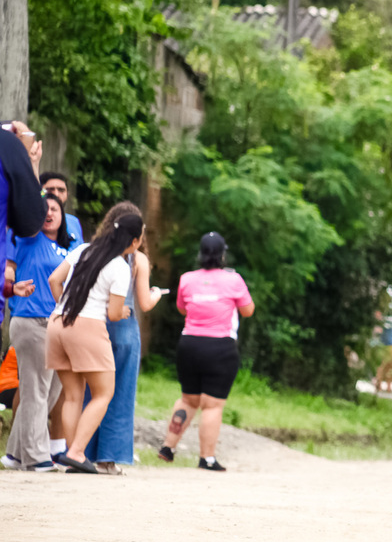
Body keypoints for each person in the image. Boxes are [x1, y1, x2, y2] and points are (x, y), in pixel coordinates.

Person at [45, 214, 144, 474]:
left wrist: (64, 306)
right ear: (134, 241)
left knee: (73, 395)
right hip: (87, 327)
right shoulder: (120, 266)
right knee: (104, 393)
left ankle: (73, 454)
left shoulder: (83, 250)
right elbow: (113, 313)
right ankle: (77, 452)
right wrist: (123, 311)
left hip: (58, 322)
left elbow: (54, 280)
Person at [157, 233, 255, 471]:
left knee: (188, 399)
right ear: (223, 255)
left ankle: (168, 448)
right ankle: (207, 458)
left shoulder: (187, 279)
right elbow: (248, 310)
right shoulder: (233, 280)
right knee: (212, 405)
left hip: (189, 344)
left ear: (200, 253)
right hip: (220, 347)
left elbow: (182, 309)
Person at [83, 203, 165, 474]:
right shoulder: (137, 260)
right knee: (120, 395)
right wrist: (156, 293)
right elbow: (145, 303)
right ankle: (109, 458)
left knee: (91, 392)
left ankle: (82, 452)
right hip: (125, 329)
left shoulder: (94, 252)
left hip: (96, 324)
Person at [2, 194, 76, 471]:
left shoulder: (68, 246)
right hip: (31, 321)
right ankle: (37, 457)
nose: (49, 213)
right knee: (35, 390)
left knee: (50, 391)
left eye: (54, 208)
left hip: (59, 324)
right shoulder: (27, 239)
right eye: (44, 209)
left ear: (63, 214)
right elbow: (8, 270)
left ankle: (15, 454)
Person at [0, 119, 49, 266]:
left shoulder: (72, 223)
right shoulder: (7, 144)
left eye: (61, 190)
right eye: (51, 189)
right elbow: (32, 218)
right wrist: (26, 158)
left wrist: (33, 163)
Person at [38, 171, 84, 245]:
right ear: (41, 193)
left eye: (61, 190)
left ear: (67, 194)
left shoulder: (74, 222)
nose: (56, 194)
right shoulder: (32, 222)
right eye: (50, 190)